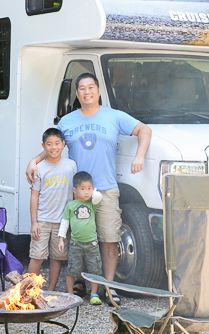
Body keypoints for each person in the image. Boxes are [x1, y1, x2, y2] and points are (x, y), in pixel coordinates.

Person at [27, 73, 151, 306]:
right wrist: (34, 160)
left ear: (98, 91)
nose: (87, 92)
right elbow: (54, 146)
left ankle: (110, 287)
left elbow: (145, 130)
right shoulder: (67, 121)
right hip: (74, 193)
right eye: (82, 89)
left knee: (108, 239)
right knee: (79, 240)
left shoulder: (114, 116)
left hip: (105, 189)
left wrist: (140, 156)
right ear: (77, 94)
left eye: (91, 87)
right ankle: (82, 283)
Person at [27, 128, 76, 292]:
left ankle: (51, 290)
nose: (53, 148)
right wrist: (34, 222)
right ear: (43, 146)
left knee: (57, 258)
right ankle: (28, 291)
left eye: (57, 144)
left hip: (62, 221)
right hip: (42, 220)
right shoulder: (39, 168)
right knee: (37, 256)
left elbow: (75, 193)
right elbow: (34, 196)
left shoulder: (71, 166)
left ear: (63, 145)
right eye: (49, 144)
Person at [58, 171, 104, 305]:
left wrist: (93, 191)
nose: (86, 192)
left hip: (92, 243)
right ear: (74, 190)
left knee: (94, 269)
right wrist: (61, 239)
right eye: (82, 189)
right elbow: (65, 223)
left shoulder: (92, 203)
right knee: (73, 269)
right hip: (75, 244)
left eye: (89, 188)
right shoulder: (71, 206)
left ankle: (93, 293)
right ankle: (70, 295)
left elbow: (99, 196)